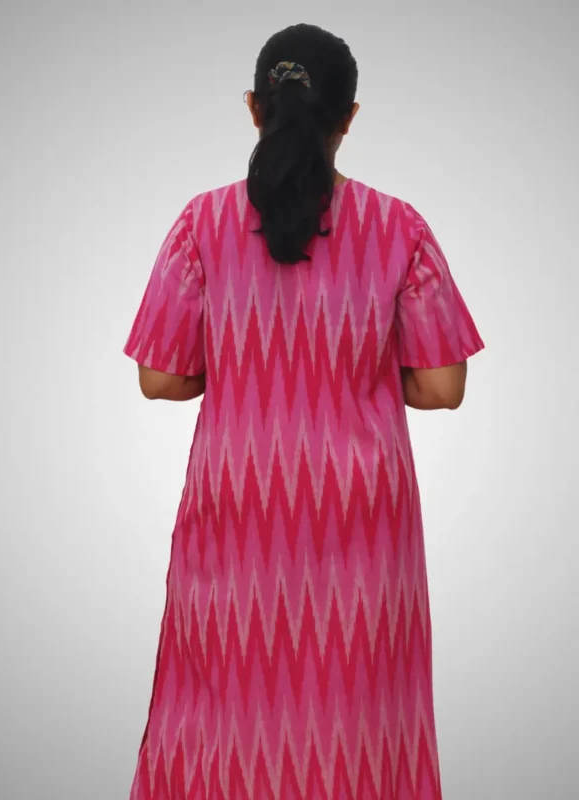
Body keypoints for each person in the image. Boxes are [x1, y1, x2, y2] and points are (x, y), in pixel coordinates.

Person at [123, 22, 484, 800]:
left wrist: (244, 364)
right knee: (360, 716)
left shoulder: (202, 224)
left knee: (222, 714)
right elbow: (442, 387)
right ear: (348, 117)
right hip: (362, 521)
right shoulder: (399, 227)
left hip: (238, 512)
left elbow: (160, 376)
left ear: (255, 108)